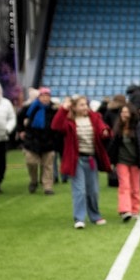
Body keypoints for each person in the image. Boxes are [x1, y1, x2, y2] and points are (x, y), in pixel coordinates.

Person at [51, 95, 111, 228]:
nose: (85, 107)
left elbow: (102, 127)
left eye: (86, 104)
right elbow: (55, 126)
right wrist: (63, 108)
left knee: (93, 190)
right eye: (82, 105)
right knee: (80, 190)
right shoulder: (69, 122)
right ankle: (79, 218)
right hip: (76, 159)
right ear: (74, 108)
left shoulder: (94, 117)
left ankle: (95, 216)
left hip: (91, 159)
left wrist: (104, 131)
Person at [107, 101, 140, 221]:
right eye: (122, 112)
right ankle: (125, 210)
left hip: (136, 161)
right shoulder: (118, 127)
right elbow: (113, 144)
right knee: (124, 185)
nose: (124, 114)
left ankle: (135, 209)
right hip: (122, 160)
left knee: (135, 186)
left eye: (126, 112)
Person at [18, 87, 58, 195]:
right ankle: (33, 180)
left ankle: (48, 187)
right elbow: (20, 119)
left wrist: (55, 136)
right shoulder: (30, 108)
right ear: (39, 97)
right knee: (31, 162)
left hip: (48, 140)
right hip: (32, 140)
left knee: (48, 165)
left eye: (47, 96)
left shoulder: (54, 109)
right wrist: (21, 130)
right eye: (43, 96)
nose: (45, 98)